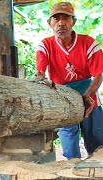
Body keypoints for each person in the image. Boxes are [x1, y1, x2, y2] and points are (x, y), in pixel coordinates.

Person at [35, 2, 103, 160]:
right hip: (62, 96)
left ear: (74, 21)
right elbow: (39, 73)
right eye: (56, 18)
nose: (61, 22)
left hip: (89, 93)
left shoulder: (89, 43)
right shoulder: (45, 45)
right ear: (49, 23)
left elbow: (98, 76)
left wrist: (87, 96)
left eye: (66, 18)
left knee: (98, 143)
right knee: (69, 145)